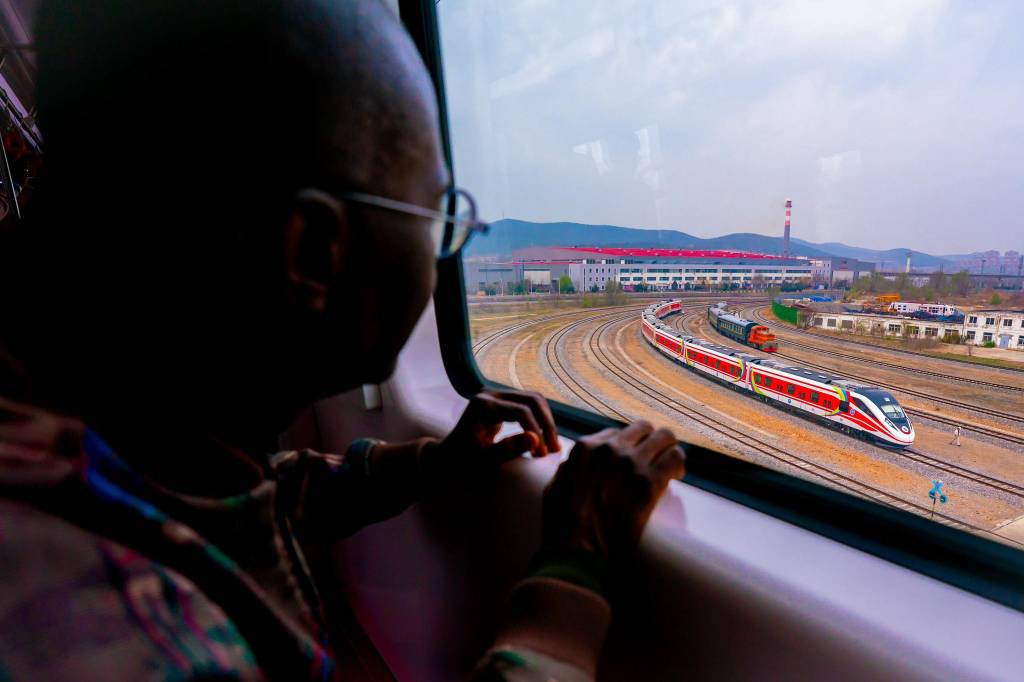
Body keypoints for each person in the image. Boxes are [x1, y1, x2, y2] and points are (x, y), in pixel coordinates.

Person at [0, 1, 686, 680]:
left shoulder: (120, 417)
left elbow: (254, 493)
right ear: (315, 251)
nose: (446, 247)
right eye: (436, 215)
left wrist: (433, 463)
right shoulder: (127, 638)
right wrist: (574, 567)